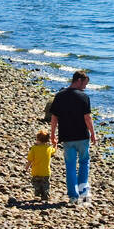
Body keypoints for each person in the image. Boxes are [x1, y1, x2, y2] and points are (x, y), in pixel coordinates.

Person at [49, 70, 95, 205]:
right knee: (84, 163)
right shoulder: (84, 97)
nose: (85, 87)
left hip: (67, 136)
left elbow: (54, 117)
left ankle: (73, 196)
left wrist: (53, 135)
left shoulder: (59, 96)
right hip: (82, 136)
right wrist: (93, 133)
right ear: (78, 80)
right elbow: (87, 118)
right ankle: (84, 195)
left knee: (70, 166)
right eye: (84, 84)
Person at [27, 128, 55, 202]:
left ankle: (37, 192)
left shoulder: (34, 149)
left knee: (36, 183)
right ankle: (45, 194)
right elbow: (54, 151)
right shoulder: (49, 148)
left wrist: (26, 168)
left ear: (38, 139)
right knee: (45, 184)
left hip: (36, 171)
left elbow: (30, 160)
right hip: (45, 172)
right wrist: (55, 144)